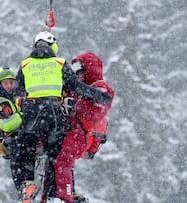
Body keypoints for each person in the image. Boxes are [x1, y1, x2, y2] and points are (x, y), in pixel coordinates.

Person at [11, 32, 112, 203]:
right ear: (53, 46)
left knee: (24, 147)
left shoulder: (25, 65)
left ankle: (25, 183)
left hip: (31, 114)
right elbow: (76, 86)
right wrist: (97, 95)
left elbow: (17, 92)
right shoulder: (59, 63)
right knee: (56, 156)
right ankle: (57, 194)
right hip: (53, 113)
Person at [54, 52, 115, 203]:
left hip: (84, 133)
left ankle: (64, 197)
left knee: (63, 160)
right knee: (56, 158)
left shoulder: (100, 87)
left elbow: (95, 111)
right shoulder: (80, 88)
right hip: (75, 131)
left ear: (89, 70)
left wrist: (73, 104)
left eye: (81, 72)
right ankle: (63, 193)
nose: (78, 77)